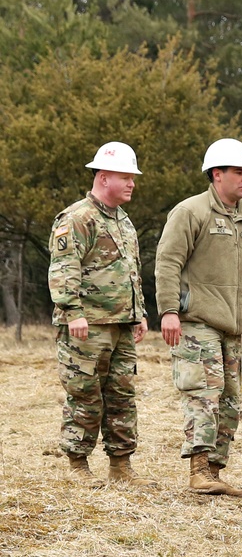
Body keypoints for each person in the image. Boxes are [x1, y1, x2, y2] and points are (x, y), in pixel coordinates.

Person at [155, 138, 242, 499]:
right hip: (197, 323)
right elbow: (167, 263)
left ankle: (215, 471)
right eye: (239, 172)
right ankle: (197, 470)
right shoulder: (191, 212)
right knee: (203, 394)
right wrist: (169, 311)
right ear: (217, 174)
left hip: (234, 327)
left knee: (230, 399)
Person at [48, 141, 155, 488]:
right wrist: (73, 311)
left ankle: (121, 466)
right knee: (84, 392)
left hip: (121, 324)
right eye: (125, 177)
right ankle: (77, 464)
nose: (132, 184)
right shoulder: (77, 217)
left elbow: (130, 270)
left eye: (132, 177)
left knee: (122, 394)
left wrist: (139, 313)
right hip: (86, 325)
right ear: (104, 177)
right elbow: (64, 268)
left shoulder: (123, 221)